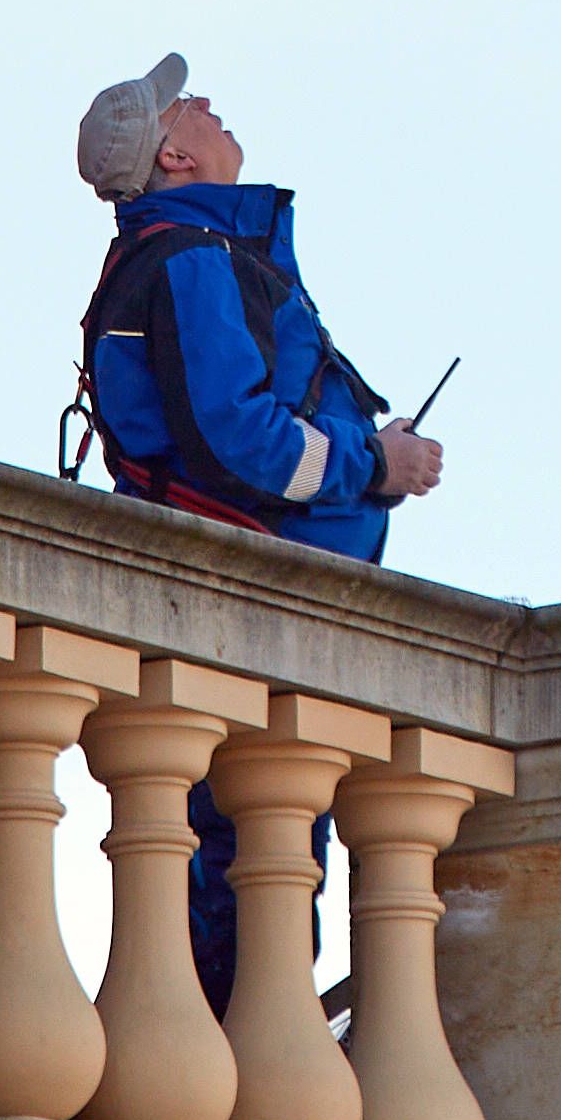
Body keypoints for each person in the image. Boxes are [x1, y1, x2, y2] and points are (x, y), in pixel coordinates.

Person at [66, 54, 442, 998]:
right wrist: (373, 465)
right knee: (247, 877)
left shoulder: (193, 253)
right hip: (248, 613)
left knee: (247, 866)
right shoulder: (193, 258)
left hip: (246, 607)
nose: (201, 100)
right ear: (177, 155)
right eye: (180, 102)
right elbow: (239, 440)